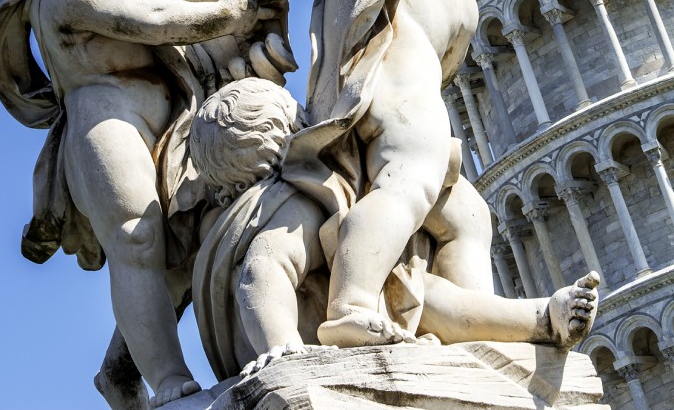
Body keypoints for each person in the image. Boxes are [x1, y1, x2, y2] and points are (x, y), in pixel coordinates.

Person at [0, 0, 283, 408]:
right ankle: (168, 378)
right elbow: (151, 17)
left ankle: (119, 370)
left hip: (165, 124)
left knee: (179, 249)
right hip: (106, 123)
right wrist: (230, 10)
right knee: (136, 237)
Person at [244, 0, 498, 346]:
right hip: (414, 109)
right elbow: (447, 69)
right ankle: (352, 303)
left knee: (467, 213)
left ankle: (475, 324)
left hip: (359, 101)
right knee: (406, 192)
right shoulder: (461, 1)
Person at [189, 78, 600, 380]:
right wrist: (281, 348)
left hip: (376, 311)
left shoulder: (301, 196)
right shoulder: (291, 202)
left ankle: (544, 317)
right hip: (314, 334)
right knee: (426, 294)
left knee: (422, 286)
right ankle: (542, 318)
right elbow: (263, 269)